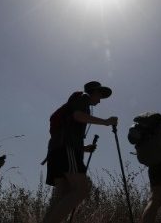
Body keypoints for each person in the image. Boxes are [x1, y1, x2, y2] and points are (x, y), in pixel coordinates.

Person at [42, 81, 118, 223]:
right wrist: (106, 122)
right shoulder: (83, 97)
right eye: (100, 95)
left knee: (60, 197)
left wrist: (84, 149)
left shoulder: (75, 102)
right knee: (82, 190)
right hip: (66, 150)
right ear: (94, 92)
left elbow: (68, 127)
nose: (100, 101)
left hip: (55, 151)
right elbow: (78, 116)